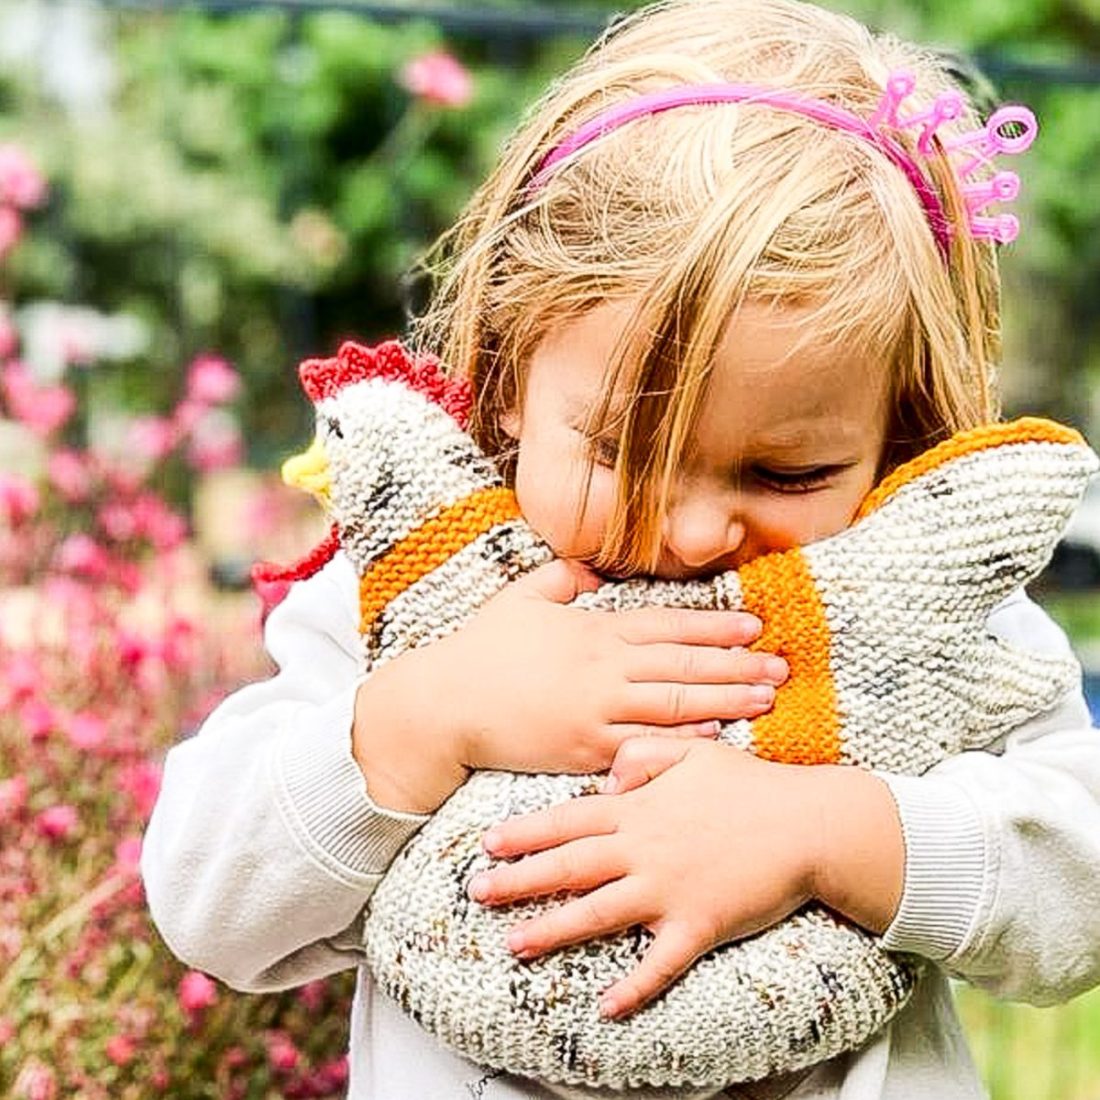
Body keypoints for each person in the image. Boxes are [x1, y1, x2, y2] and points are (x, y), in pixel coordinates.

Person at [141, 1, 1100, 1097]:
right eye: (622, 451)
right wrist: (422, 716)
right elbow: (204, 898)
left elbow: (1080, 876)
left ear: (900, 430)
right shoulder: (411, 596)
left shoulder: (925, 616)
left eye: (786, 473)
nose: (691, 530)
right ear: (506, 378)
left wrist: (831, 831)